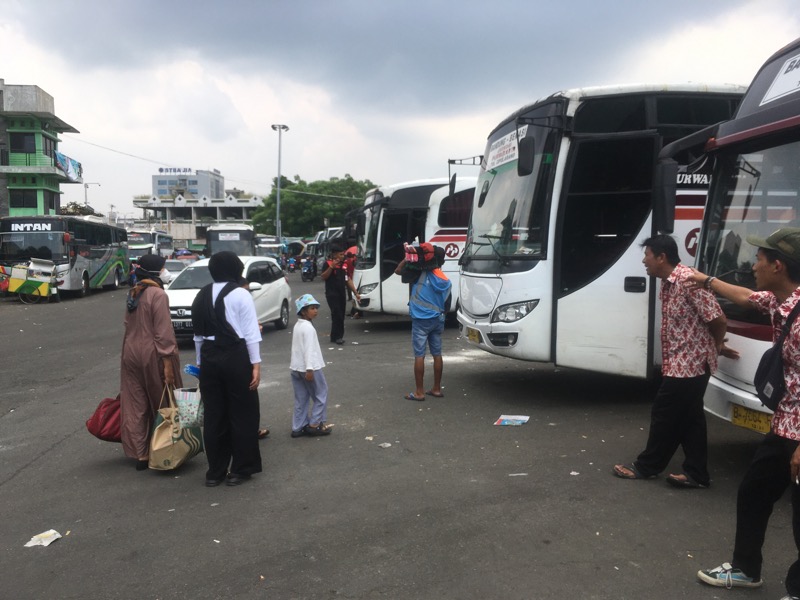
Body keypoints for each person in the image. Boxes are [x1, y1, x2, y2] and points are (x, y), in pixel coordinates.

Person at [690, 228, 800, 597]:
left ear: (778, 265)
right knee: (754, 492)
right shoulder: (784, 301)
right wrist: (705, 280)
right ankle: (745, 568)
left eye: (759, 259)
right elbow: (746, 296)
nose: (753, 265)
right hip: (785, 425)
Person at [613, 234, 734, 488]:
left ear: (661, 257)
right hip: (680, 363)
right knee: (690, 419)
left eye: (647, 256)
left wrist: (717, 344)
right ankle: (697, 474)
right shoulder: (668, 282)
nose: (644, 262)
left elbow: (718, 319)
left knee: (664, 413)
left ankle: (647, 466)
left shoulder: (689, 281)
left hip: (692, 365)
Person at [191, 251, 262, 487]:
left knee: (214, 416)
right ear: (235, 268)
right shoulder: (241, 293)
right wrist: (256, 365)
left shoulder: (201, 294)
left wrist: (202, 365)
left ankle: (215, 472)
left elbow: (198, 336)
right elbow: (251, 333)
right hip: (235, 356)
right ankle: (240, 469)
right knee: (243, 413)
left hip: (210, 357)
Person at [119, 254, 183, 470]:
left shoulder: (134, 292)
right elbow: (163, 333)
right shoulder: (158, 295)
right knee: (163, 402)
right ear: (157, 271)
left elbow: (127, 324)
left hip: (130, 352)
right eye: (164, 268)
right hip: (153, 354)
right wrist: (168, 364)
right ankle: (165, 449)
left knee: (136, 404)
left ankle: (141, 454)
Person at [395, 242, 451, 401]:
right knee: (437, 354)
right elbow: (447, 305)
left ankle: (419, 392)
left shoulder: (418, 274)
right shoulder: (446, 280)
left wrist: (407, 258)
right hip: (438, 321)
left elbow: (398, 271)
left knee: (419, 355)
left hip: (420, 321)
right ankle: (436, 389)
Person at [290, 294, 333, 437]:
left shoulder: (298, 325)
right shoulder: (308, 328)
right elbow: (308, 349)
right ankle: (315, 424)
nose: (316, 311)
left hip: (296, 368)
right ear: (303, 311)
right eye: (312, 308)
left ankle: (298, 427)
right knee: (321, 393)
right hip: (310, 367)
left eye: (316, 308)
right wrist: (309, 369)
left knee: (301, 397)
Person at [321, 242, 360, 344]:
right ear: (334, 255)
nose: (343, 256)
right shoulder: (328, 264)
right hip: (332, 294)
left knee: (341, 315)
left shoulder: (344, 265)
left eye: (343, 254)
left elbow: (348, 280)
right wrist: (331, 267)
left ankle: (336, 336)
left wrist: (356, 292)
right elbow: (323, 277)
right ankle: (337, 337)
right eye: (341, 254)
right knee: (337, 314)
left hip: (341, 293)